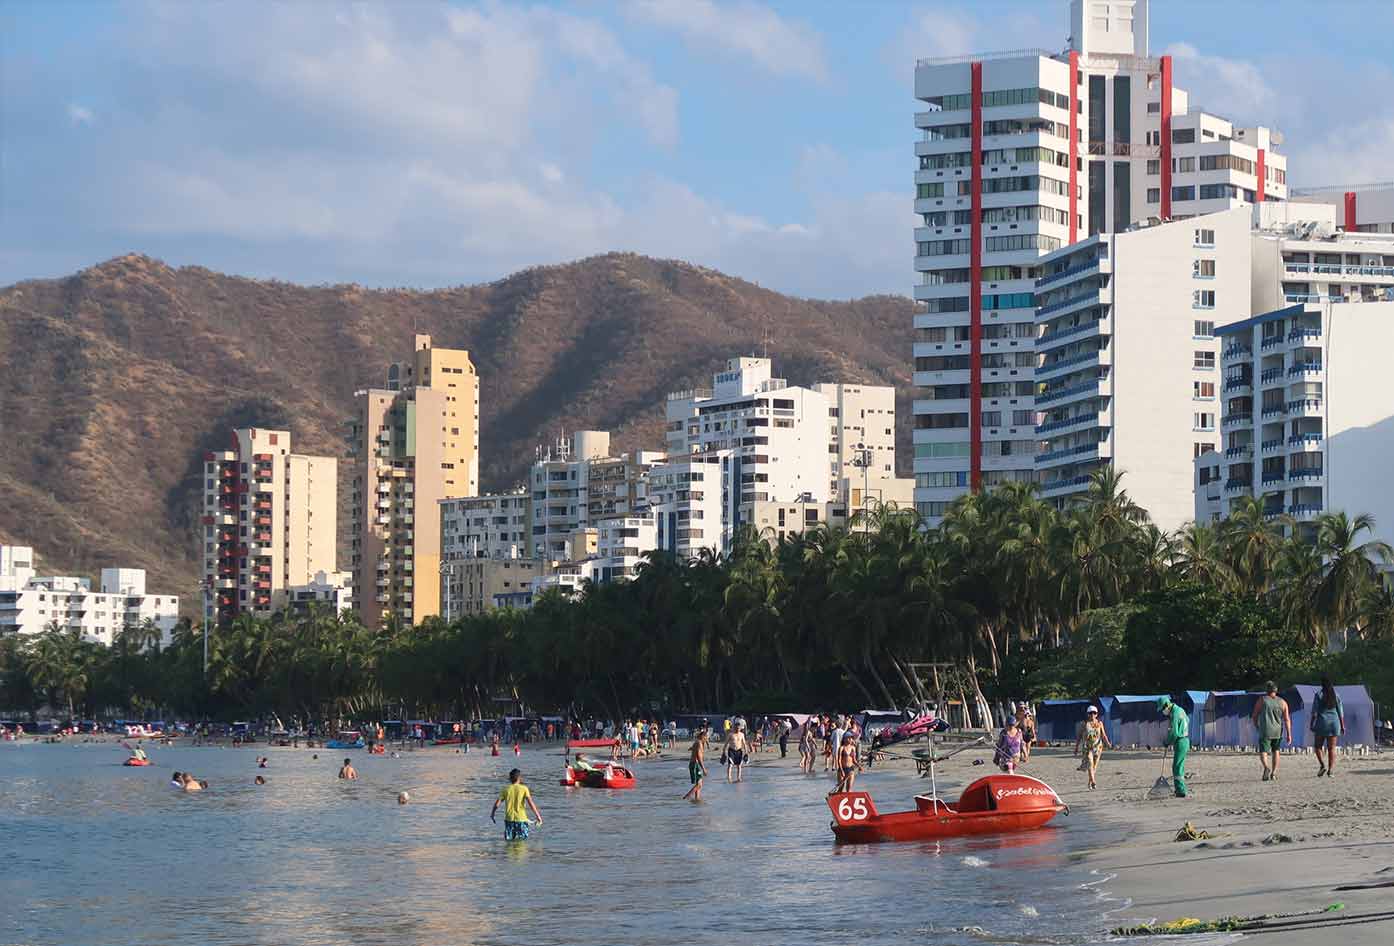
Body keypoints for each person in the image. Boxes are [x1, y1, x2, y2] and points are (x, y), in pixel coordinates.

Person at [1250, 682, 1292, 782]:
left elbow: (1254, 715)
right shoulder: (1283, 702)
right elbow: (1287, 719)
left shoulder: (1262, 700)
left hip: (1265, 730)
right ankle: (1274, 773)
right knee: (1276, 751)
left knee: (1263, 751)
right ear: (1276, 691)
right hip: (1278, 731)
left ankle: (1266, 767)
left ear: (1267, 690)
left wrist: (1257, 726)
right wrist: (1289, 734)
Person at [491, 768, 542, 840]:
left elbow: (497, 803)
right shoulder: (524, 788)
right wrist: (538, 816)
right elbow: (531, 803)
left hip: (509, 819)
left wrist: (492, 814)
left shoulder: (506, 789)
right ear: (519, 778)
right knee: (522, 842)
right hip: (521, 819)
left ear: (510, 779)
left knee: (509, 841)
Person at [1311, 676, 1345, 778]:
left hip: (1322, 723)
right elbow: (1341, 712)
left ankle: (1322, 765)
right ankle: (1330, 771)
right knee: (1331, 748)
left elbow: (1314, 712)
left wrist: (1311, 723)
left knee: (1317, 746)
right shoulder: (1336, 695)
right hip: (1334, 724)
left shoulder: (1318, 695)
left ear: (1322, 685)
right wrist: (1343, 726)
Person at [1158, 696, 1190, 798]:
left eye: (1163, 709)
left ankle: (1181, 791)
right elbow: (1187, 720)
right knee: (1179, 766)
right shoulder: (1180, 710)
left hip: (1181, 740)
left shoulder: (1175, 714)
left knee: (1177, 767)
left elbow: (1174, 733)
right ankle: (1179, 789)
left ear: (1167, 705)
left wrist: (1167, 742)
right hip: (1184, 740)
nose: (1163, 712)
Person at [1073, 706, 1111, 790]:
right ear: (1087, 714)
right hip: (1087, 747)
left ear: (1097, 714)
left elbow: (1103, 735)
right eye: (1090, 713)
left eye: (1094, 713)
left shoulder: (1100, 723)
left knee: (1094, 766)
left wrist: (1107, 743)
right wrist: (1076, 748)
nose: (1092, 714)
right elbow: (1079, 736)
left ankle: (1089, 782)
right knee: (1090, 763)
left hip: (1098, 747)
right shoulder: (1084, 724)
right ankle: (1093, 781)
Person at [683, 727, 708, 801]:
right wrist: (703, 768)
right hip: (695, 765)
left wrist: (692, 748)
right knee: (699, 784)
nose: (706, 739)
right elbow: (699, 757)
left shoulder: (697, 742)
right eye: (706, 737)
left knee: (699, 783)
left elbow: (693, 749)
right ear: (702, 736)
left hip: (693, 764)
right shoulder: (699, 743)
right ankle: (686, 797)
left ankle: (697, 799)